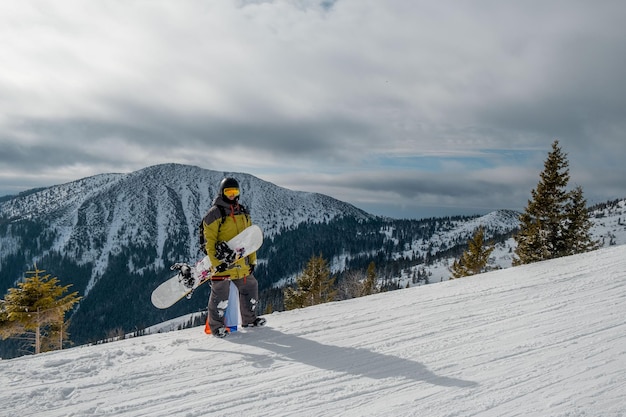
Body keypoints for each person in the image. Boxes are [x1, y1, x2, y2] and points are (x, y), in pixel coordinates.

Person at [201, 177, 266, 337]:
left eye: (234, 192)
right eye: (228, 192)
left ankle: (249, 320)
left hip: (240, 264)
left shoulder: (243, 212)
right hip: (222, 262)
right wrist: (216, 264)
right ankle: (216, 328)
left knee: (250, 286)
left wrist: (252, 261)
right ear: (222, 193)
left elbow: (250, 241)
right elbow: (210, 242)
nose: (231, 195)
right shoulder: (214, 213)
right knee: (220, 295)